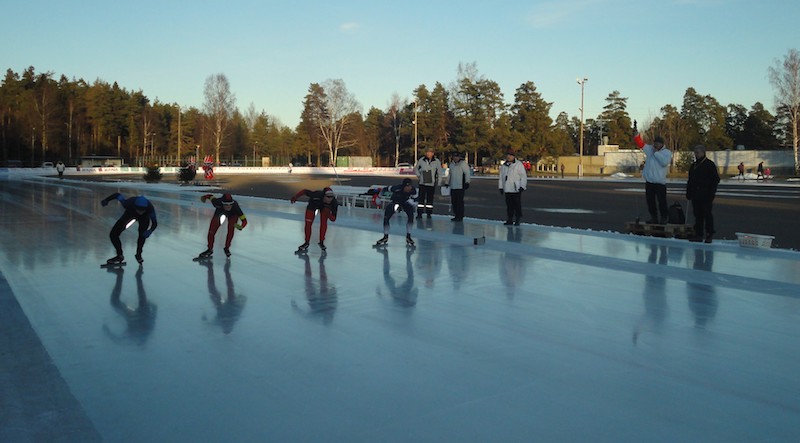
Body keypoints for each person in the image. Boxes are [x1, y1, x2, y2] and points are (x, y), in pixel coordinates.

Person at [101, 193, 158, 264]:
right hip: (129, 214)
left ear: (146, 209)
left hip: (144, 218)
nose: (140, 212)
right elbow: (117, 195)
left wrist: (150, 231)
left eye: (143, 210)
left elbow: (155, 223)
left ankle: (138, 254)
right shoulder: (128, 203)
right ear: (135, 207)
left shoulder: (150, 208)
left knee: (142, 235)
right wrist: (106, 200)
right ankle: (119, 256)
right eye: (139, 210)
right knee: (113, 234)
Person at [633, 122, 672, 224]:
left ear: (662, 144)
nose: (655, 145)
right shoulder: (650, 149)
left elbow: (664, 163)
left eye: (657, 143)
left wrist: (656, 153)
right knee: (650, 202)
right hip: (649, 182)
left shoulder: (666, 153)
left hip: (660, 183)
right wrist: (636, 135)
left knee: (662, 202)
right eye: (654, 143)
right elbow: (640, 144)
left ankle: (664, 217)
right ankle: (653, 217)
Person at [686, 145, 720, 243]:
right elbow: (690, 180)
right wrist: (688, 192)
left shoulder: (709, 164)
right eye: (695, 152)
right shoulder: (694, 165)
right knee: (697, 215)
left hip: (706, 194)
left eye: (697, 152)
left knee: (707, 214)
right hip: (695, 194)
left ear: (703, 152)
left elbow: (715, 180)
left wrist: (711, 193)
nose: (696, 154)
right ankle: (698, 234)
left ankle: (710, 233)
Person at [198, 193, 247, 258]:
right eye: (226, 205)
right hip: (220, 212)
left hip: (233, 214)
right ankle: (209, 249)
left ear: (233, 203)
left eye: (230, 204)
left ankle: (227, 248)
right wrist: (204, 197)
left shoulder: (235, 207)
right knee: (211, 231)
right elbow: (210, 196)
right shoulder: (217, 203)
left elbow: (244, 221)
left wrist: (241, 226)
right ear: (222, 203)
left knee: (231, 229)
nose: (228, 206)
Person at [291, 187, 338, 252]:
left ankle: (321, 242)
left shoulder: (334, 203)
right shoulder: (316, 195)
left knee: (324, 223)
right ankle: (306, 242)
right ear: (324, 196)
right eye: (328, 197)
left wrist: (328, 214)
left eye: (331, 197)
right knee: (308, 223)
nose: (330, 199)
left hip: (324, 208)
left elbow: (333, 219)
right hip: (313, 205)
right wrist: (295, 197)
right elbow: (304, 191)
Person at [375, 178, 416, 246]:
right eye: (407, 186)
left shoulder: (413, 190)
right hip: (396, 202)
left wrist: (413, 203)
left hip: (406, 202)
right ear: (404, 186)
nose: (409, 188)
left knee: (411, 215)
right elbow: (385, 189)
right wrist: (378, 197)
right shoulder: (396, 188)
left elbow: (416, 200)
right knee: (386, 217)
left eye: (410, 186)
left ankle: (408, 236)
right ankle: (385, 236)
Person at [498, 150, 527, 225]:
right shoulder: (504, 166)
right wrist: (501, 187)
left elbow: (523, 176)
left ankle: (517, 219)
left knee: (517, 205)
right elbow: (501, 177)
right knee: (509, 205)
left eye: (511, 155)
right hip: (507, 189)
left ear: (514, 156)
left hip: (516, 189)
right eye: (508, 155)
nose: (509, 157)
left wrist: (522, 186)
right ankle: (509, 219)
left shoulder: (518, 165)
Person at [414, 148, 443, 219]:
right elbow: (416, 168)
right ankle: (419, 213)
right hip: (422, 183)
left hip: (431, 183)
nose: (428, 154)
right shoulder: (422, 160)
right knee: (421, 199)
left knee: (429, 200)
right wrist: (419, 175)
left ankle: (429, 213)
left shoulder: (437, 161)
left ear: (433, 153)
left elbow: (439, 172)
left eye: (430, 152)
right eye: (427, 152)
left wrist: (439, 181)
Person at [445, 151, 471, 221]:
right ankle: (456, 215)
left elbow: (467, 173)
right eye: (454, 157)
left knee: (459, 202)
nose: (455, 158)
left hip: (460, 186)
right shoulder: (451, 165)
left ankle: (460, 216)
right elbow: (449, 174)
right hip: (453, 186)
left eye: (456, 157)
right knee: (454, 202)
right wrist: (447, 182)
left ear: (459, 157)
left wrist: (467, 182)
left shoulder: (463, 164)